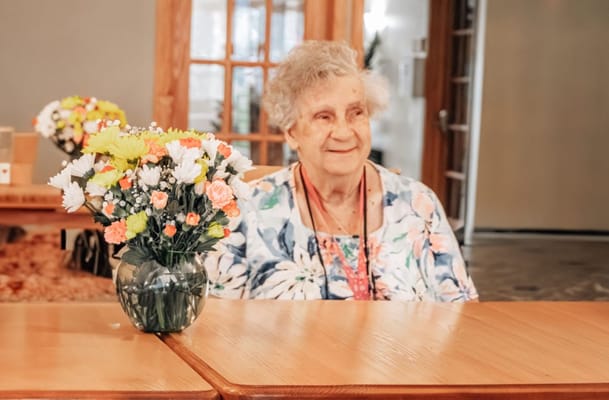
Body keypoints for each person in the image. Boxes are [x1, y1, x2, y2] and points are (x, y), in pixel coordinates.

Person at [205, 40, 478, 302]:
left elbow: (462, 319)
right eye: (324, 117)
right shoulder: (247, 211)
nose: (344, 132)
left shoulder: (419, 205)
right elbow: (217, 324)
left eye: (355, 113)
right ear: (291, 133)